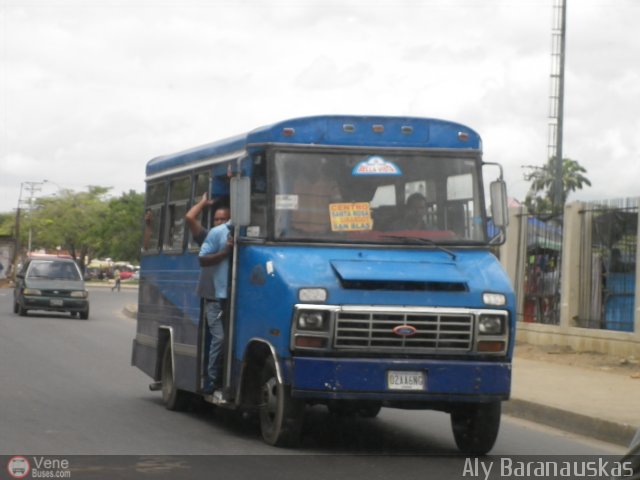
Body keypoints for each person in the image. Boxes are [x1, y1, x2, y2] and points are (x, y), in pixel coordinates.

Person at [189, 195, 232, 394]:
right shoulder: (212, 234)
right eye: (217, 219)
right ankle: (211, 380)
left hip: (231, 297)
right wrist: (202, 203)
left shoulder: (236, 233)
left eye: (224, 219)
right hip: (213, 296)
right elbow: (189, 218)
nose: (221, 222)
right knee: (219, 338)